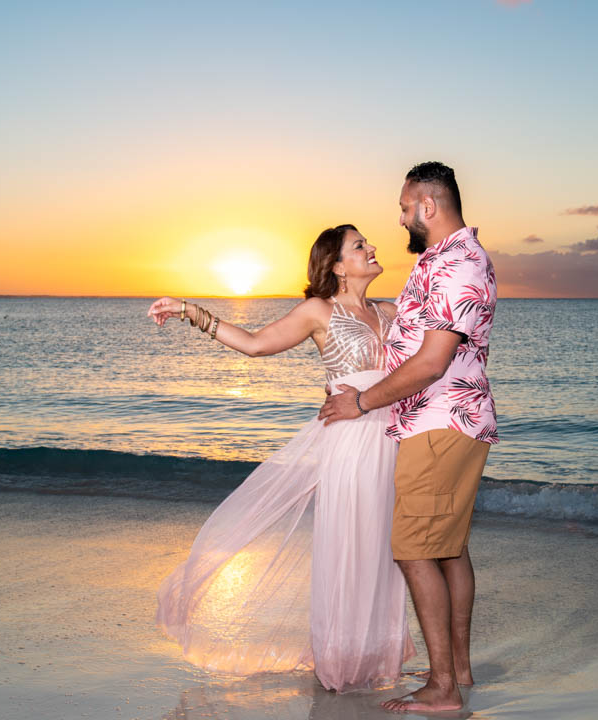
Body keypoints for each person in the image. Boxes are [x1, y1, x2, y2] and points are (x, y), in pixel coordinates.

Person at [147, 225, 414, 693]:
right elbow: (255, 344)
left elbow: (428, 357)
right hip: (351, 443)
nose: (372, 248)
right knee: (351, 544)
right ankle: (340, 661)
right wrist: (192, 312)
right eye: (359, 246)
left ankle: (377, 659)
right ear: (337, 265)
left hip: (393, 439)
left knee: (385, 550)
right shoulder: (319, 311)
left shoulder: (391, 311)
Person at [320, 162, 497, 713]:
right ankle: (456, 670)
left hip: (439, 421)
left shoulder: (458, 265)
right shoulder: (441, 260)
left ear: (427, 205)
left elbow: (431, 362)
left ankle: (443, 688)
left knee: (416, 549)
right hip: (442, 420)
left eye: (403, 208)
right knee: (449, 549)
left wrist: (361, 401)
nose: (399, 219)